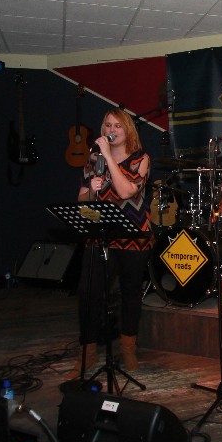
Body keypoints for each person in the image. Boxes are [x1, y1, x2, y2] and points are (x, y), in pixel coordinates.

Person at [66, 108, 153, 379]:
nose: (111, 130)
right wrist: (91, 190)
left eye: (117, 125)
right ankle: (88, 353)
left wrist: (108, 157)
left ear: (127, 130)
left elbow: (127, 191)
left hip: (133, 234)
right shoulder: (93, 160)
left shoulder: (140, 159)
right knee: (89, 292)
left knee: (130, 292)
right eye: (107, 125)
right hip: (100, 233)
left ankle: (128, 348)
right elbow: (82, 202)